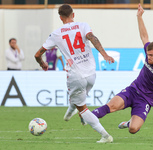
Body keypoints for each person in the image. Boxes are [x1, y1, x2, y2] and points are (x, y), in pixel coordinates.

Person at [90, 4, 153, 135]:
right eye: (147, 54)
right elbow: (144, 36)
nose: (148, 57)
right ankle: (87, 116)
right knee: (111, 106)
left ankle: (129, 123)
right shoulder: (149, 52)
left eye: (151, 55)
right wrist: (139, 17)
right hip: (133, 90)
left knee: (133, 129)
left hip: (146, 100)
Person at [34, 4, 114, 143]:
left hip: (76, 75)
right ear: (73, 14)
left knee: (82, 107)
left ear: (60, 18)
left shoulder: (56, 34)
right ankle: (70, 113)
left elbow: (37, 54)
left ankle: (105, 135)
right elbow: (92, 38)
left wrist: (42, 63)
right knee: (78, 98)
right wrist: (105, 55)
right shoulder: (83, 25)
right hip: (91, 74)